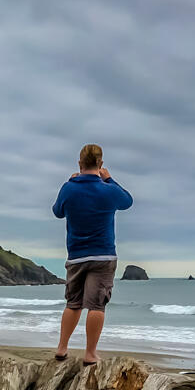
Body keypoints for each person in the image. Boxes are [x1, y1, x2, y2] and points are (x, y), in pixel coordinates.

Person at [52, 144, 134, 365]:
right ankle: (90, 353)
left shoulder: (68, 188)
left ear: (79, 164)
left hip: (76, 255)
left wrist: (70, 182)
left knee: (73, 303)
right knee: (97, 305)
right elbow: (127, 201)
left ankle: (62, 347)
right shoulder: (108, 190)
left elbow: (57, 212)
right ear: (100, 164)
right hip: (103, 255)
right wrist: (109, 179)